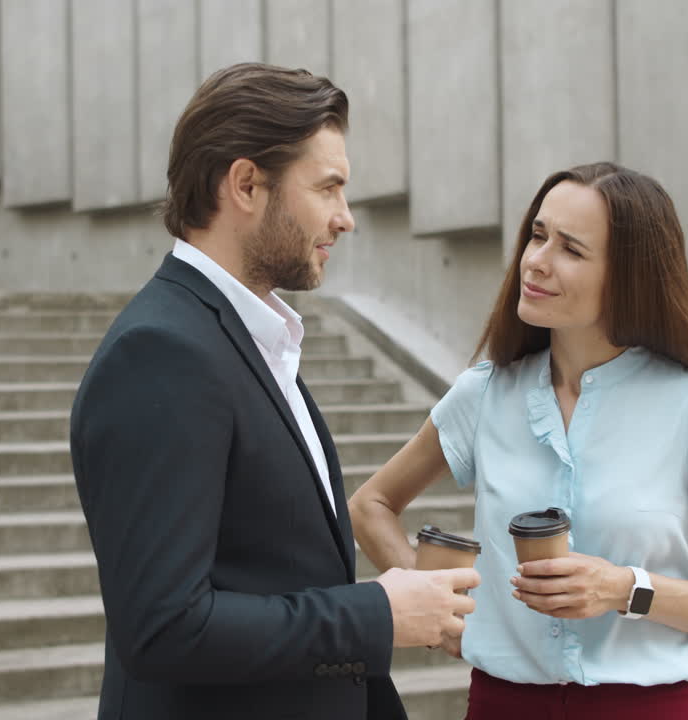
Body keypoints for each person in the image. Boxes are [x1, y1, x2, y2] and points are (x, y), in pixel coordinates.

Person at [70, 63, 479, 720]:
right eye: (328, 189)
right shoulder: (162, 353)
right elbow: (165, 627)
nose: (346, 219)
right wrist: (376, 613)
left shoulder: (250, 338)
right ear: (246, 184)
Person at [349, 162, 688, 719]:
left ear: (628, 277)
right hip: (502, 705)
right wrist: (442, 617)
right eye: (537, 234)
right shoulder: (486, 392)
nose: (536, 261)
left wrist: (624, 588)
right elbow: (371, 505)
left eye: (571, 250)